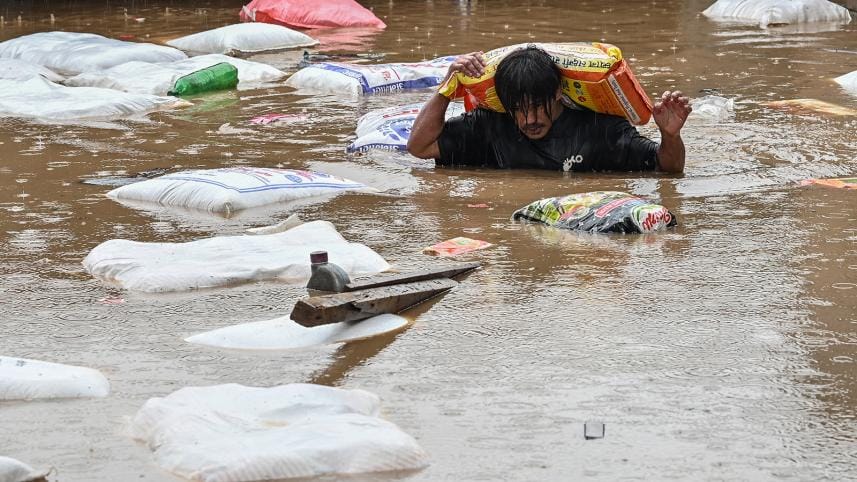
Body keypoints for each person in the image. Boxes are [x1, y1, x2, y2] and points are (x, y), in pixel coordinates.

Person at [407, 46, 691, 173]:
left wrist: (670, 136)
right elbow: (420, 146)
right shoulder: (489, 126)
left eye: (536, 107)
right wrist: (447, 86)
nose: (529, 119)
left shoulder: (600, 130)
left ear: (558, 93)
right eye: (518, 109)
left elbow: (668, 169)